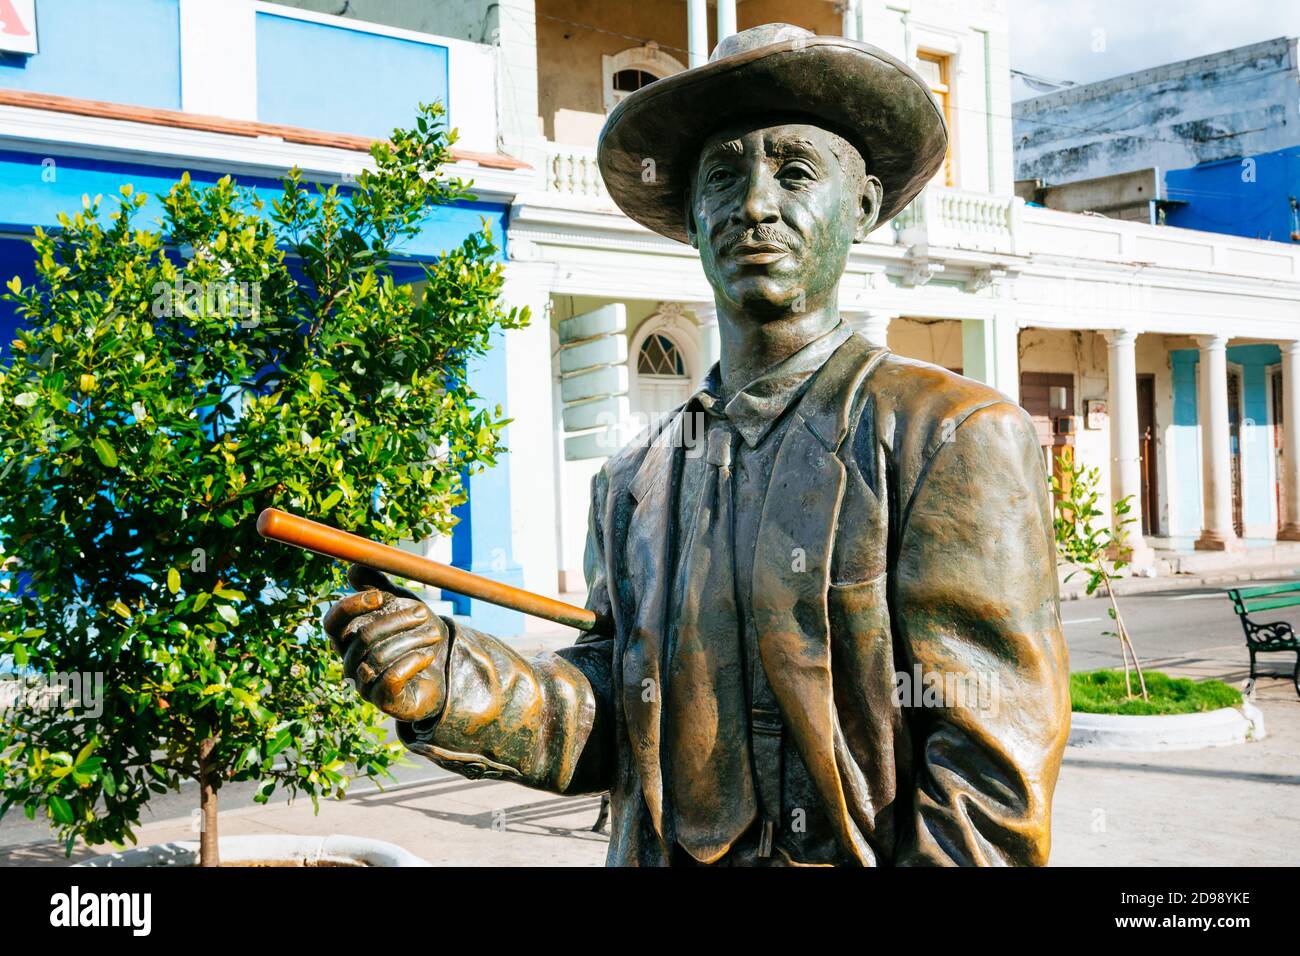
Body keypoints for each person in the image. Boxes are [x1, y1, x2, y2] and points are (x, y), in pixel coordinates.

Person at [323, 23, 1070, 866]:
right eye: (723, 175)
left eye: (794, 171)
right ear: (690, 215)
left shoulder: (948, 436)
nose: (753, 204)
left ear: (860, 204)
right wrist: (450, 679)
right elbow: (607, 714)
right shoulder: (634, 480)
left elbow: (988, 776)